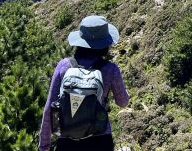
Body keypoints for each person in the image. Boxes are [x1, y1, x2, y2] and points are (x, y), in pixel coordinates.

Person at [39, 15, 130, 151]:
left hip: (67, 140)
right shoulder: (111, 69)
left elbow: (49, 108)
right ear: (106, 43)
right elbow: (122, 102)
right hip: (100, 139)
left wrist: (43, 146)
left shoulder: (64, 66)